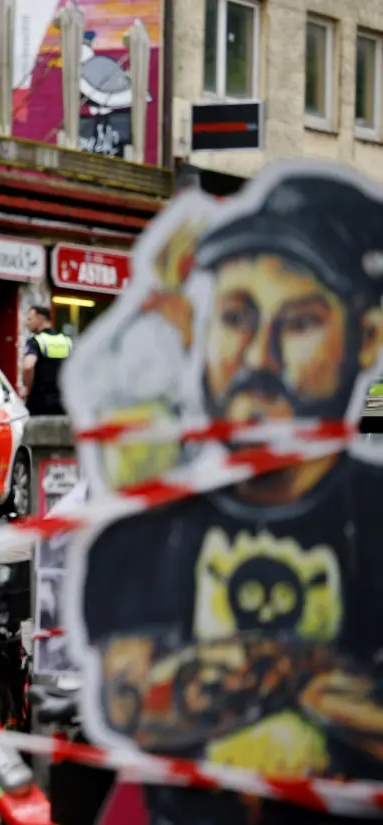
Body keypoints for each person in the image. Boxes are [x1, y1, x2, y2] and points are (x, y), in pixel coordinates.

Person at [76, 169, 383, 825]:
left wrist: (217, 675)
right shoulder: (147, 529)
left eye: (299, 321)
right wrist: (310, 679)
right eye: (237, 316)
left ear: (368, 338)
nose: (258, 355)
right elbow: (131, 700)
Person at [21, 305, 72, 416]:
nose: (27, 323)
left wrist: (27, 385)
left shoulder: (36, 341)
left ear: (40, 319)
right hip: (63, 401)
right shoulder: (66, 341)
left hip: (40, 402)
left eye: (30, 319)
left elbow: (28, 366)